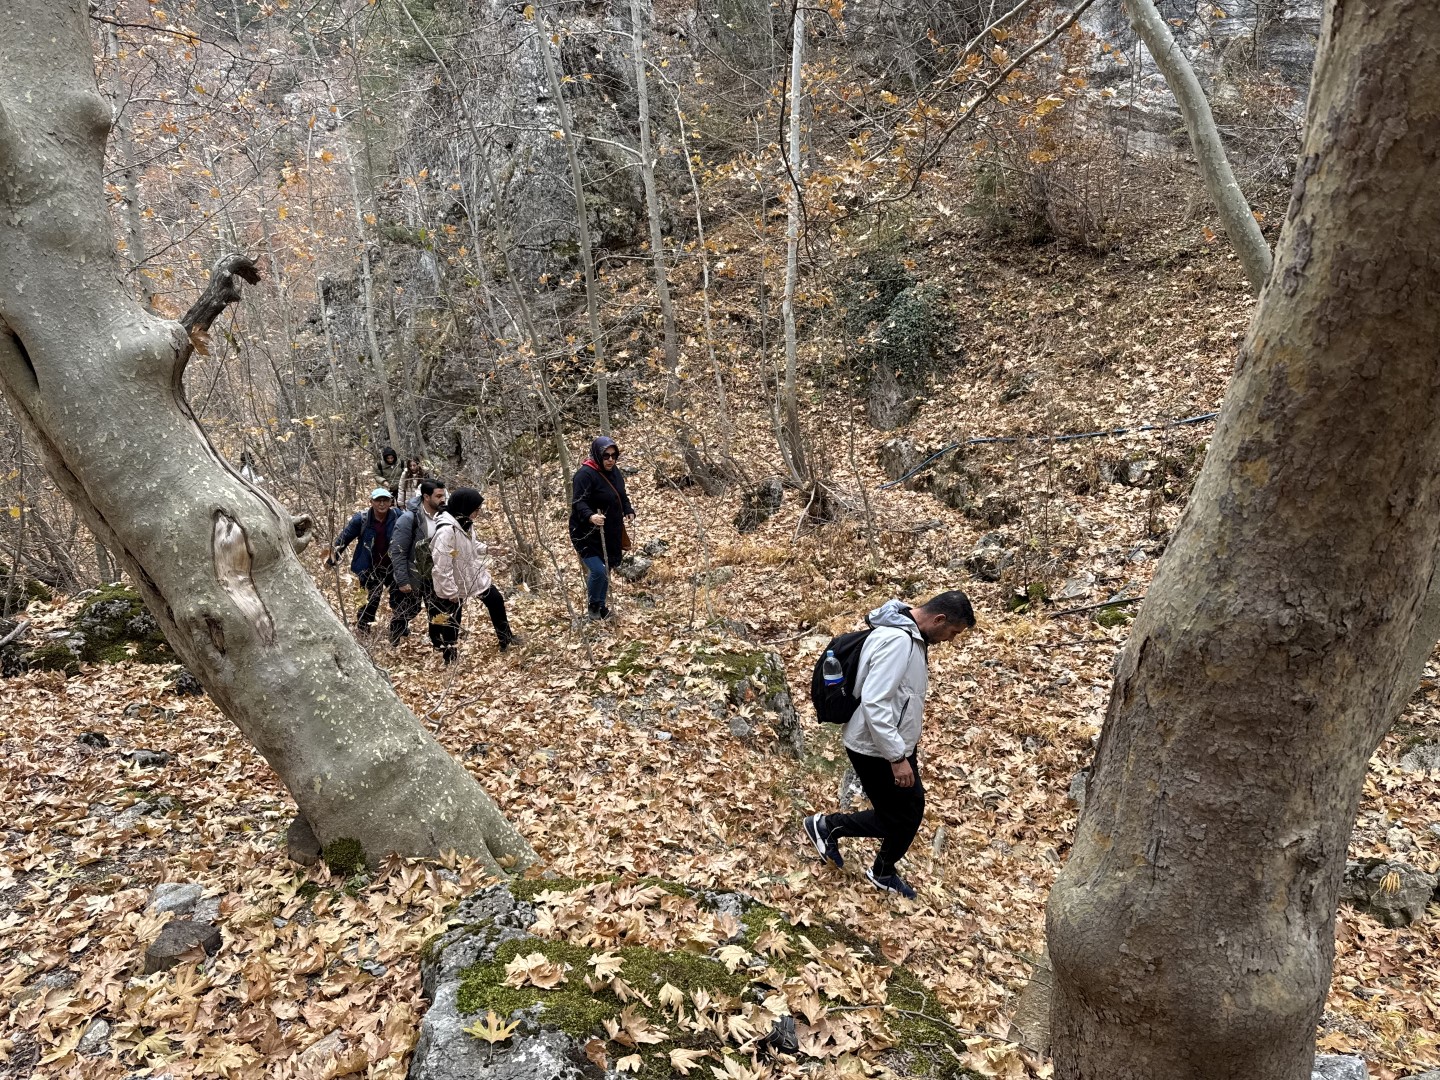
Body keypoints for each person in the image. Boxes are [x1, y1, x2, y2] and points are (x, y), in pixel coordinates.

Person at [803, 591, 976, 900]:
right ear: (939, 619)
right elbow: (875, 703)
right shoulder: (899, 642)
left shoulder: (910, 632)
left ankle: (882, 870)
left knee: (910, 808)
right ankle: (827, 827)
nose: (950, 640)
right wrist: (897, 758)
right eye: (952, 632)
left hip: (894, 742)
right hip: (876, 747)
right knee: (898, 815)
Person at [429, 487, 516, 663]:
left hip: (470, 574)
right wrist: (450, 591)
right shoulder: (446, 530)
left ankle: (506, 639)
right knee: (452, 619)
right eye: (476, 509)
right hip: (453, 581)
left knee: (495, 600)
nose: (477, 513)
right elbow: (441, 565)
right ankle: (450, 658)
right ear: (465, 507)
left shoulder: (464, 521)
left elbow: (471, 545)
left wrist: (488, 549)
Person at [568, 435, 634, 619]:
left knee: (608, 567)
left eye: (614, 455)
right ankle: (593, 607)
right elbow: (578, 502)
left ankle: (601, 606)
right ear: (597, 455)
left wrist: (628, 509)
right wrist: (590, 516)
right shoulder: (584, 475)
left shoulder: (615, 472)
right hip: (585, 532)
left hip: (610, 530)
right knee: (598, 570)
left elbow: (621, 494)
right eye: (606, 456)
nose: (610, 459)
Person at [327, 488, 403, 635]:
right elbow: (344, 538)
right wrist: (332, 559)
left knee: (399, 598)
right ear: (371, 502)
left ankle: (398, 630)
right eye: (378, 500)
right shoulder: (361, 519)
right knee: (371, 600)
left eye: (385, 500)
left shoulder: (398, 516)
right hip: (370, 566)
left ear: (390, 502)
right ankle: (363, 630)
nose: (382, 504)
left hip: (392, 565)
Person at [389, 479, 447, 645]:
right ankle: (394, 641)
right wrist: (403, 580)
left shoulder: (444, 517)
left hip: (435, 575)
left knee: (437, 611)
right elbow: (398, 550)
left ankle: (438, 643)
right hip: (413, 574)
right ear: (426, 497)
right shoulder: (409, 519)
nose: (443, 499)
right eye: (439, 496)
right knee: (407, 610)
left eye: (444, 495)